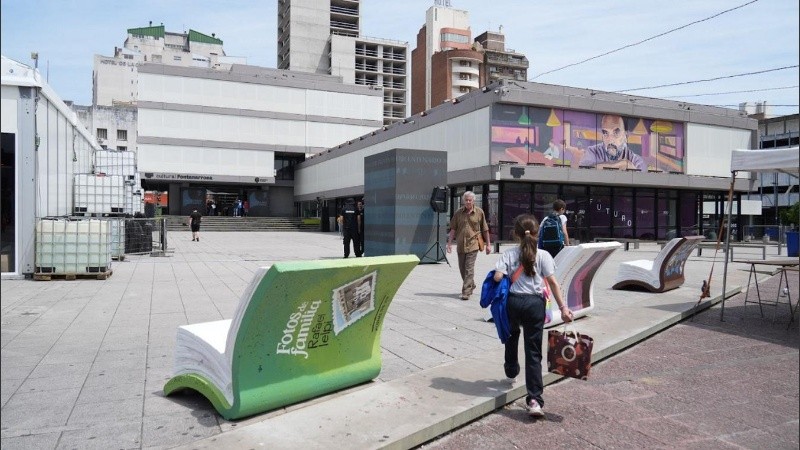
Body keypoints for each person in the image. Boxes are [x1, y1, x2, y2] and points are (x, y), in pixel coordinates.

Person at [493, 214, 573, 417]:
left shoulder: (509, 254)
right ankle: (534, 399)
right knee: (533, 351)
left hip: (513, 302)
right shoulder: (544, 255)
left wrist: (502, 274)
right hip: (535, 305)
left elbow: (497, 276)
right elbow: (553, 283)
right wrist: (563, 308)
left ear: (515, 234)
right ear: (537, 233)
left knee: (511, 337)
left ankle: (511, 370)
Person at [446, 191, 491, 300]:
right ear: (463, 201)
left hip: (473, 244)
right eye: (466, 200)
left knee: (469, 269)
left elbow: (485, 229)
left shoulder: (479, 212)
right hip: (461, 244)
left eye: (470, 200)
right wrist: (449, 243)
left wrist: (488, 245)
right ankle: (471, 284)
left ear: (473, 200)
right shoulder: (458, 213)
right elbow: (453, 229)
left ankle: (466, 292)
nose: (468, 202)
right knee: (462, 269)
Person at [568, 114, 645, 171]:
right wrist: (619, 164)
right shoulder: (592, 151)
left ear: (625, 136)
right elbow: (583, 169)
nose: (610, 139)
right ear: (602, 136)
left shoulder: (637, 161)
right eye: (605, 133)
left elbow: (644, 180)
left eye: (616, 133)